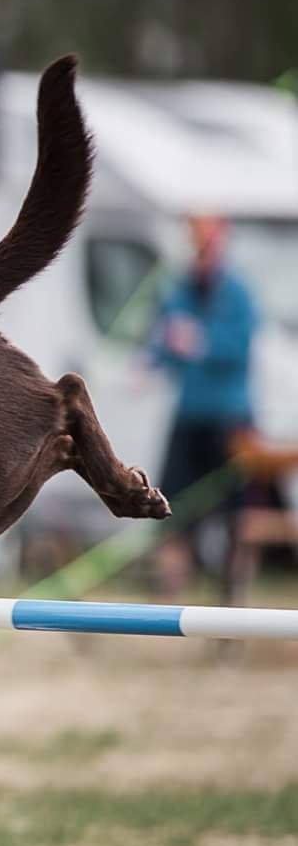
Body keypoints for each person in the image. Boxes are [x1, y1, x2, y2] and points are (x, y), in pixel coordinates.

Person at [150, 214, 259, 601]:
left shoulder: (238, 293)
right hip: (188, 414)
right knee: (171, 506)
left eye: (208, 242)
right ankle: (170, 595)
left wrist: (203, 343)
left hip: (231, 418)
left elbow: (241, 348)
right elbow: (163, 345)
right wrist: (150, 362)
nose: (202, 251)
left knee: (236, 516)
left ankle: (234, 596)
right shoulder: (178, 291)